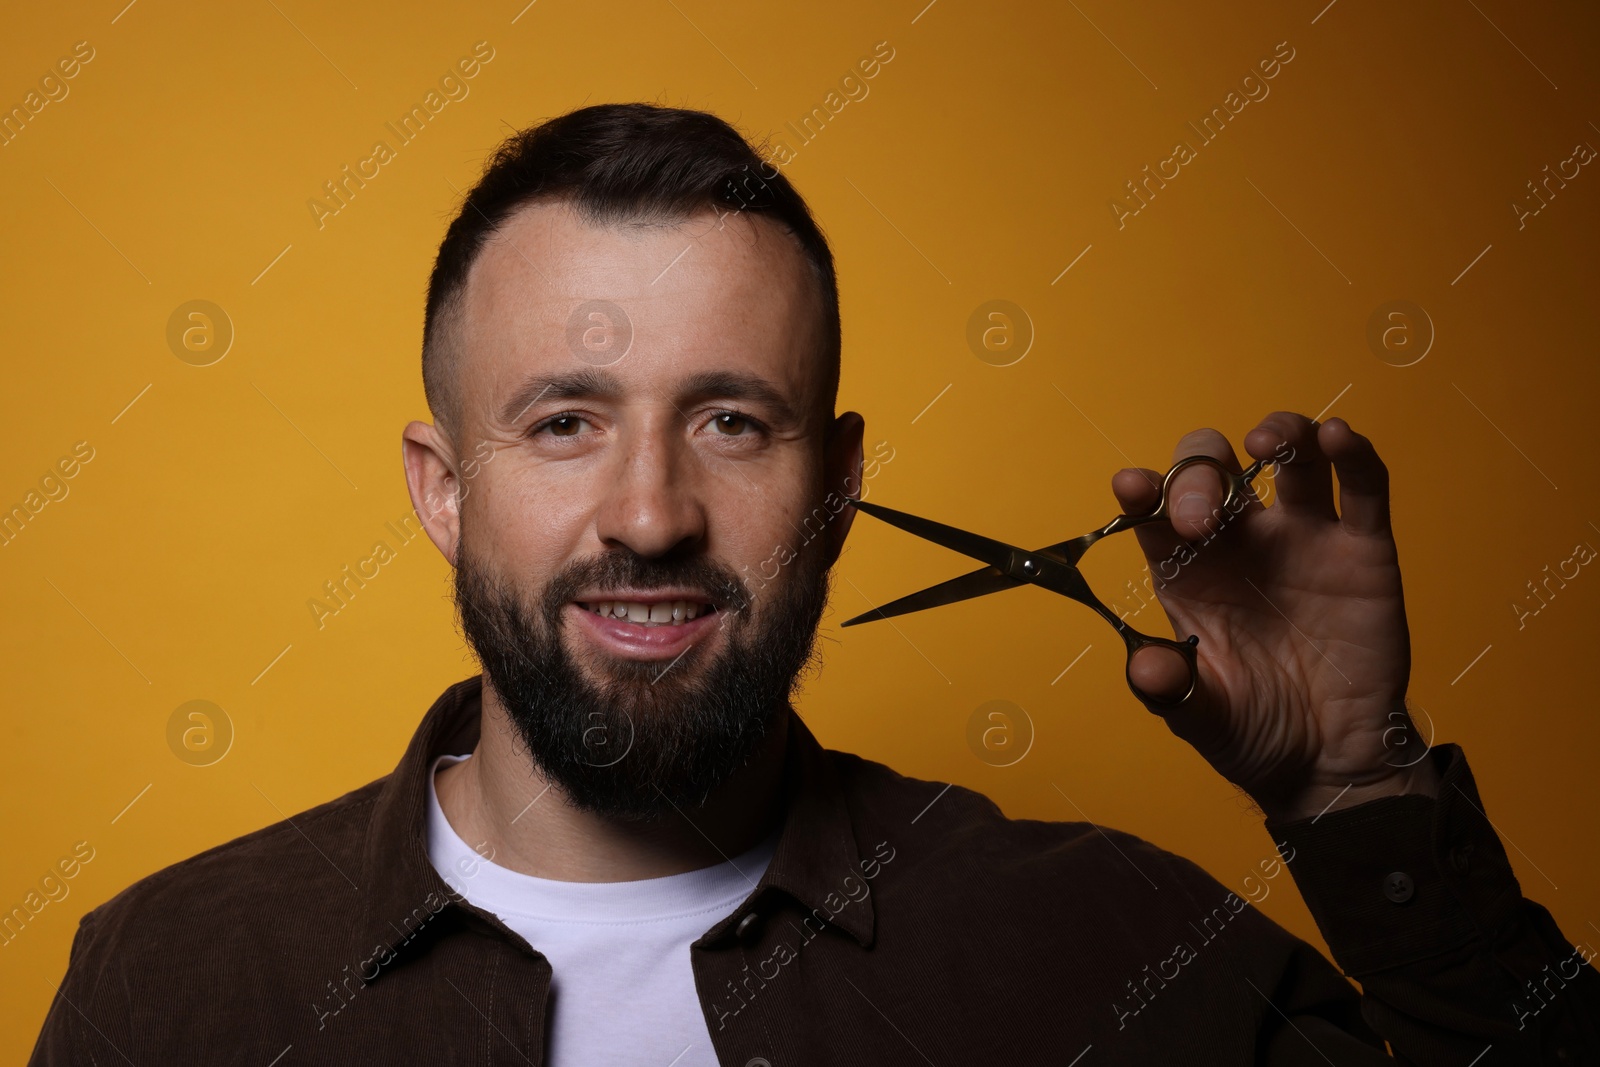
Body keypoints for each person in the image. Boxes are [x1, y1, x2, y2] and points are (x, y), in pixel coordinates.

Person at [28, 103, 1597, 1066]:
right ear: (445, 490)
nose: (649, 514)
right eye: (565, 422)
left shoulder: (1106, 952)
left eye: (731, 421)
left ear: (838, 488)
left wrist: (1354, 789)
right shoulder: (176, 983)